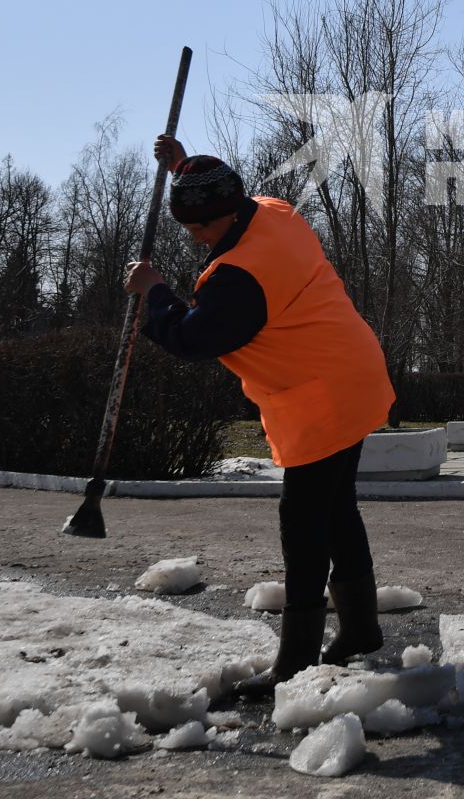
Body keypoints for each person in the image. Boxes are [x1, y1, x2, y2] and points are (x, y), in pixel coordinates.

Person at [124, 136, 393, 693]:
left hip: (323, 397)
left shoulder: (240, 280)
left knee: (303, 524)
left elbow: (193, 338)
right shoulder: (272, 210)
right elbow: (216, 195)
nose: (193, 236)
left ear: (223, 215)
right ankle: (361, 631)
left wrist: (154, 293)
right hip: (354, 372)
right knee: (336, 508)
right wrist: (183, 167)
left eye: (198, 226)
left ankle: (295, 662)